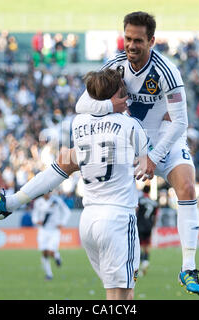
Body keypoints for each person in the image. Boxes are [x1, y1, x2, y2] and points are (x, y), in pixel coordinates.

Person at [0, 11, 199, 296]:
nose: (131, 46)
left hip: (162, 142)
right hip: (126, 134)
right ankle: (9, 203)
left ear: (152, 41)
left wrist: (154, 157)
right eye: (128, 39)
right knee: (67, 159)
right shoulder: (115, 65)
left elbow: (180, 122)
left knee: (187, 186)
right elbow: (82, 103)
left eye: (138, 41)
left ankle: (188, 267)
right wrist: (111, 109)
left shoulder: (167, 72)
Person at [72, 68, 150, 300]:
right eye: (123, 93)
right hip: (117, 216)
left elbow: (82, 104)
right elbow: (149, 158)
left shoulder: (78, 123)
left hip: (88, 218)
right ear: (116, 95)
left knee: (123, 292)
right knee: (119, 295)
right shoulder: (129, 125)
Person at [31, 191, 71, 280]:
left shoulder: (57, 201)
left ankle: (56, 256)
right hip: (43, 230)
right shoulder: (38, 202)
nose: (48, 193)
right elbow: (34, 215)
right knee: (44, 252)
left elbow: (67, 212)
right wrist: (36, 221)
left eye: (49, 191)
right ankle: (49, 274)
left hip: (54, 230)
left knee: (51, 251)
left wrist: (62, 223)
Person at [136, 185, 159, 275]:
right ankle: (146, 261)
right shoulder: (154, 203)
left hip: (139, 225)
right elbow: (156, 217)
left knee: (138, 246)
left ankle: (139, 265)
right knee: (146, 246)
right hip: (149, 226)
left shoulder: (140, 200)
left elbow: (136, 211)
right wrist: (153, 226)